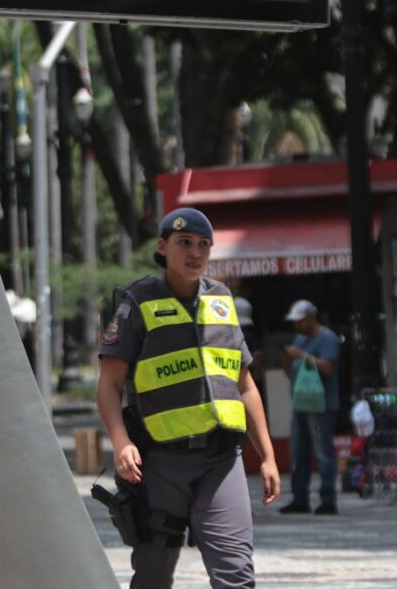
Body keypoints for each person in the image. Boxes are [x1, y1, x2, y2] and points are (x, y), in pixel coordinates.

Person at [96, 207, 279, 588]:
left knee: (236, 576)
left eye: (203, 245)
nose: (195, 252)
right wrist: (120, 441)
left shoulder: (221, 300)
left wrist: (268, 456)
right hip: (161, 464)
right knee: (153, 576)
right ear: (163, 247)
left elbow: (245, 385)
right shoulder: (137, 302)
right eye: (184, 243)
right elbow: (109, 384)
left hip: (222, 461)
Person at [278, 299, 341, 516]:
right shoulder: (300, 339)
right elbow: (292, 370)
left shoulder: (327, 338)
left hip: (321, 405)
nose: (297, 325)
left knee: (323, 452)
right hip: (301, 403)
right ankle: (299, 498)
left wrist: (301, 355)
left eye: (300, 320)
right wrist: (287, 359)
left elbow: (328, 366)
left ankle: (328, 499)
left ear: (312, 317)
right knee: (298, 451)